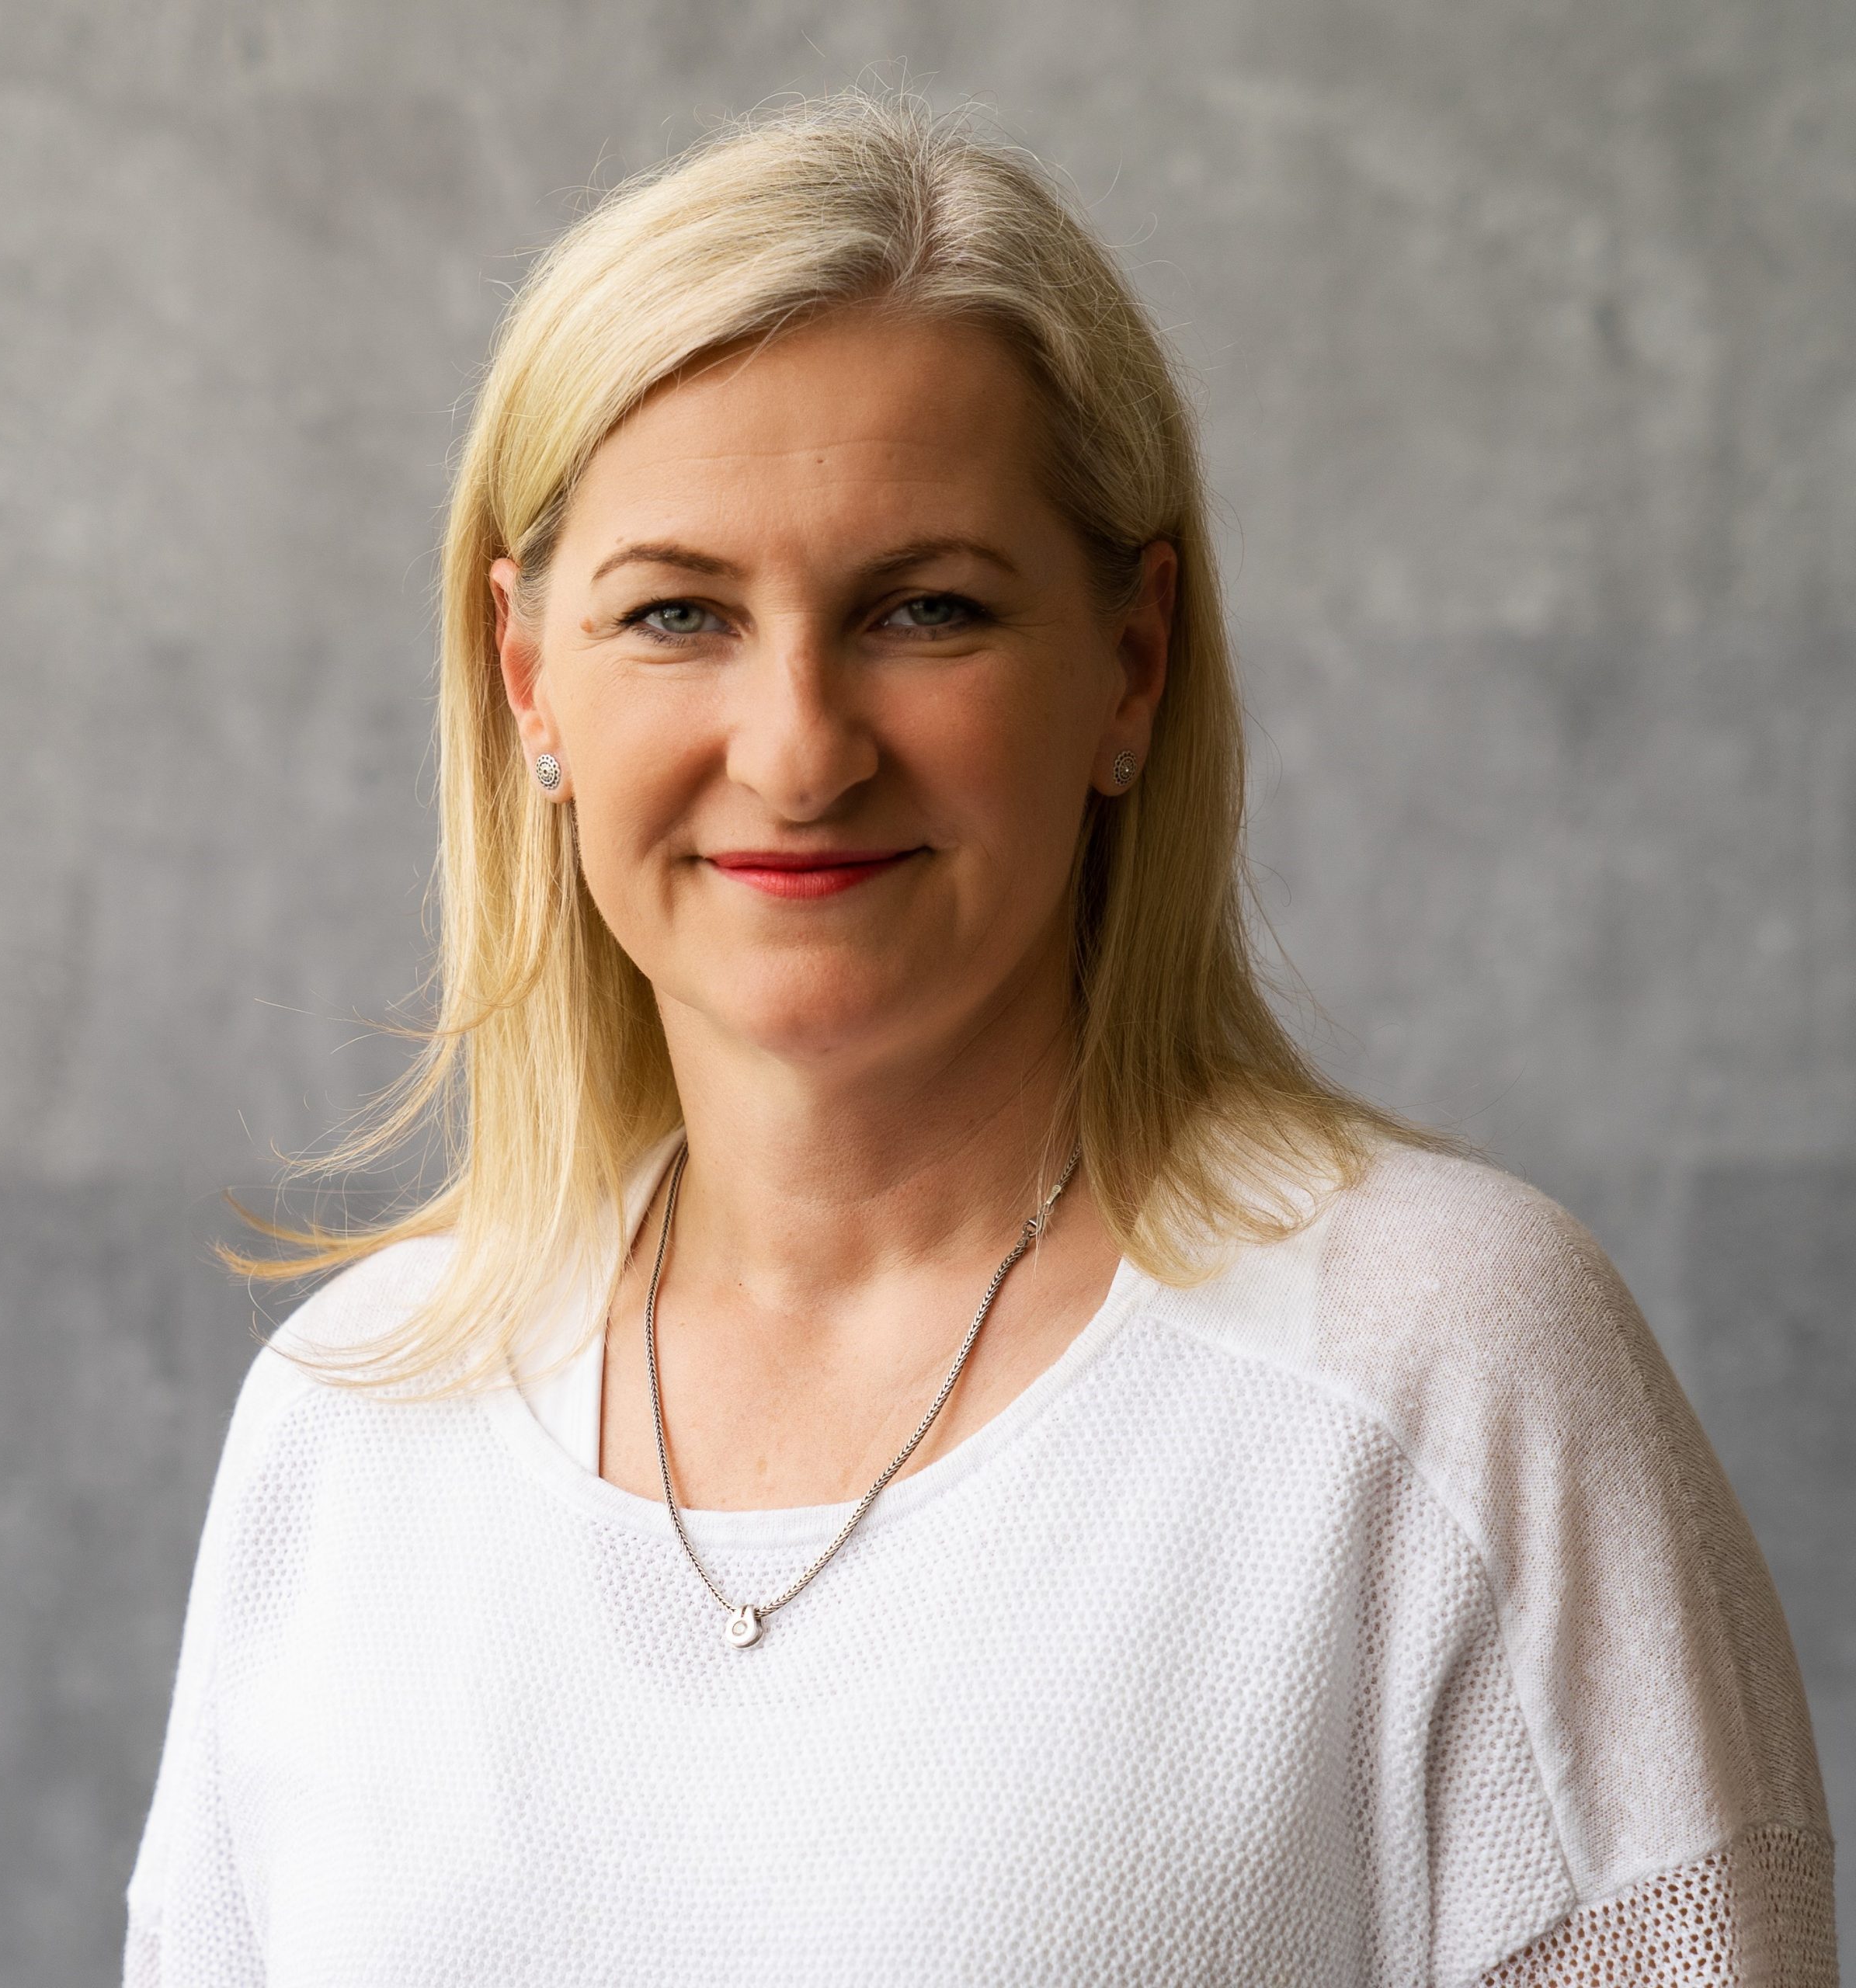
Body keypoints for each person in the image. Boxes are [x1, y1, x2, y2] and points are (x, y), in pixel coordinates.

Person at [121, 87, 1837, 1986]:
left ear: (1129, 663)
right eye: (677, 612)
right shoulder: (350, 1425)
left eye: (922, 608)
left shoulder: (1437, 1368)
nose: (796, 749)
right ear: (530, 679)